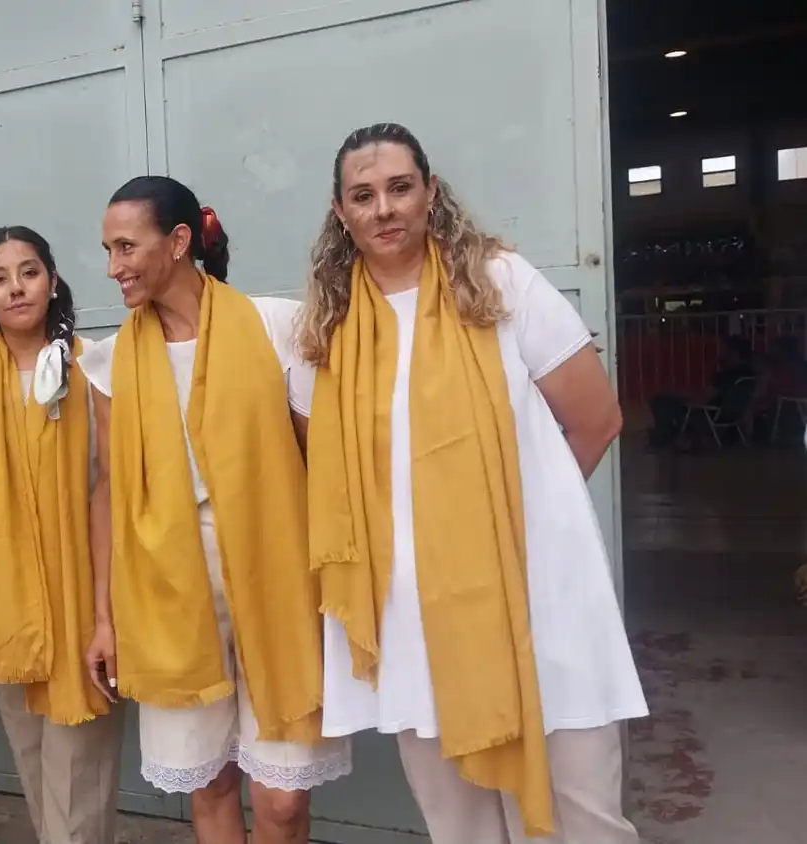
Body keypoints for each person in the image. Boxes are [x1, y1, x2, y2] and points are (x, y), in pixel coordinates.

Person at [293, 122, 648, 843]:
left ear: (430, 192)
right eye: (363, 195)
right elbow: (330, 480)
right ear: (341, 212)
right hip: (410, 620)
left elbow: (597, 419)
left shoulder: (497, 283)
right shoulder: (324, 329)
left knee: (582, 818)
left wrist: (512, 526)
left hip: (535, 597)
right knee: (458, 828)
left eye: (399, 187)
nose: (384, 208)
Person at [78, 176, 352, 844]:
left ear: (177, 242)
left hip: (278, 569)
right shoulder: (113, 360)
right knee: (209, 782)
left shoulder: (274, 327)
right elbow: (110, 486)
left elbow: (326, 461)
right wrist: (105, 615)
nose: (114, 267)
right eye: (107, 250)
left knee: (282, 801)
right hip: (168, 583)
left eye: (125, 247)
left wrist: (341, 575)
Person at [0, 226, 124, 844]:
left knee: (81, 771)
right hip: (8, 604)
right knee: (32, 763)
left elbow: (112, 485)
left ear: (52, 280)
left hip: (83, 595)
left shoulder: (94, 366)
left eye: (28, 272)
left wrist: (107, 612)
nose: (15, 288)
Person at [648, 334, 757, 448]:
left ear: (733, 352)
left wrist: (682, 396)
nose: (719, 352)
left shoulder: (725, 375)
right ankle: (668, 435)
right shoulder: (748, 373)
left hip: (710, 413)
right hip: (731, 413)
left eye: (723, 349)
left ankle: (668, 436)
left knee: (660, 401)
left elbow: (703, 399)